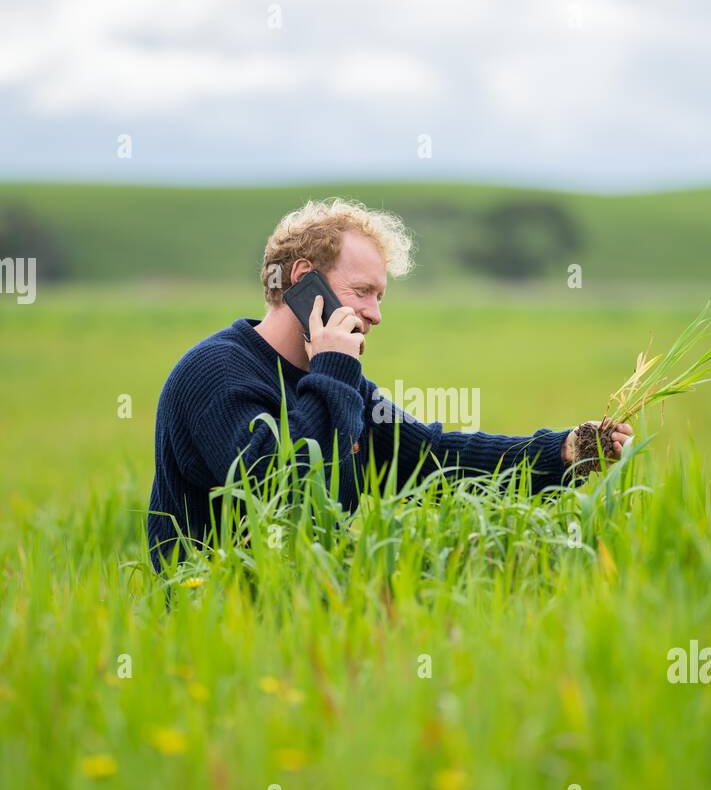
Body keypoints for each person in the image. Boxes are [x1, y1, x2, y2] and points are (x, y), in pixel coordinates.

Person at [146, 198, 632, 571]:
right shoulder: (214, 374)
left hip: (308, 621)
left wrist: (564, 450)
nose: (376, 314)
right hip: (217, 631)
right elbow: (282, 502)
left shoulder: (339, 380)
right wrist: (333, 370)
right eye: (362, 292)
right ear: (302, 281)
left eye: (380, 296)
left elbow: (435, 460)